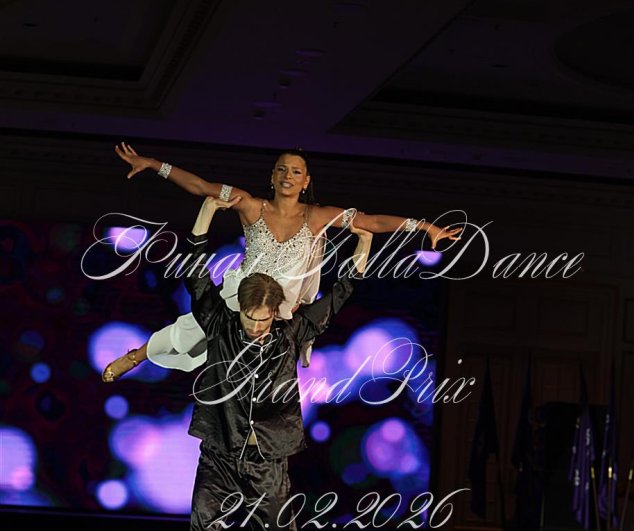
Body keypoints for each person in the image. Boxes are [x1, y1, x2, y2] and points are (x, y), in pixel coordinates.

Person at [167, 194, 373, 531]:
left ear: (275, 313)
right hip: (219, 458)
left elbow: (339, 296)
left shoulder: (290, 332)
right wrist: (205, 215)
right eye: (250, 318)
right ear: (239, 309)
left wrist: (362, 248)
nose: (257, 327)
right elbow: (195, 273)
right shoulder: (218, 323)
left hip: (268, 464)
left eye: (264, 319)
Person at [102, 144, 461, 381]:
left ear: (306, 181)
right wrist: (153, 164)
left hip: (283, 309)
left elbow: (372, 222)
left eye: (295, 172)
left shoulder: (318, 216)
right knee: (189, 330)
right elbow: (200, 186)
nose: (288, 176)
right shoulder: (249, 205)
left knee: (261, 372)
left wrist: (425, 227)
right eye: (282, 170)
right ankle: (136, 357)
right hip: (241, 296)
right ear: (272, 176)